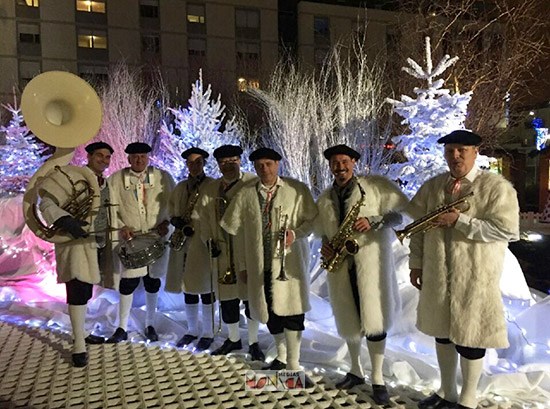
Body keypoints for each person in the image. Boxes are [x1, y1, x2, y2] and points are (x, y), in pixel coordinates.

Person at [408, 130, 520, 409]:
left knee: (471, 336)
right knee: (442, 333)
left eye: (461, 150)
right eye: (450, 151)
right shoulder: (433, 186)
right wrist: (416, 263)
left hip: (476, 276)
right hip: (437, 272)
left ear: (474, 152)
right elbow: (418, 229)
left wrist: (460, 221)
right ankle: (448, 393)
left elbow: (506, 230)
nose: (455, 156)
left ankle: (468, 400)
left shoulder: (496, 188)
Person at [315, 144, 408, 404]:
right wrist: (325, 241)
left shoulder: (375, 188)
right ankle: (356, 370)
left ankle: (378, 379)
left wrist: (374, 221)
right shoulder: (325, 199)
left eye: (344, 161)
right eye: (335, 163)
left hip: (371, 265)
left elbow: (400, 215)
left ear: (354, 162)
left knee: (374, 321)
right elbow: (323, 228)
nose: (340, 167)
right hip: (342, 265)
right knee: (350, 319)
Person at [220, 147, 317, 386]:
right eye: (260, 165)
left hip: (289, 263)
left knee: (292, 311)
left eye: (269, 164)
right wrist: (242, 265)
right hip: (259, 263)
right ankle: (282, 357)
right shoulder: (245, 194)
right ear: (254, 168)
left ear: (277, 165)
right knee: (271, 311)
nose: (265, 169)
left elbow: (313, 219)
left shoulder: (297, 190)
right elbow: (234, 230)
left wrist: (297, 233)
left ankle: (294, 364)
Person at [37, 141, 114, 367]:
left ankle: (83, 332)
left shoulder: (106, 183)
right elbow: (46, 202)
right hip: (74, 243)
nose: (103, 159)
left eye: (107, 156)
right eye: (99, 155)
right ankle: (79, 345)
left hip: (96, 243)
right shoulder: (73, 175)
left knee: (86, 291)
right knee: (77, 290)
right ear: (88, 156)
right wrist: (65, 221)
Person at [198, 145, 264, 361]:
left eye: (233, 160)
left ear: (240, 160)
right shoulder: (211, 189)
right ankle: (233, 338)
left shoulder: (253, 183)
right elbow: (203, 217)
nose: (228, 165)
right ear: (218, 164)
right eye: (224, 162)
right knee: (227, 298)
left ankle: (253, 342)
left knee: (249, 296)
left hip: (246, 248)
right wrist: (208, 240)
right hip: (222, 250)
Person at [106, 142, 175, 343]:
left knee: (152, 281)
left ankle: (150, 323)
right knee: (128, 282)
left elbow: (174, 204)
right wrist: (121, 226)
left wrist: (167, 222)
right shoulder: (117, 180)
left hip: (156, 238)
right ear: (128, 158)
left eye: (143, 156)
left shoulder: (163, 177)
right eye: (135, 156)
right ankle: (122, 327)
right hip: (131, 240)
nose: (139, 160)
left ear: (148, 157)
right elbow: (109, 208)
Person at [165, 147, 215, 351]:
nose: (194, 166)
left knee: (206, 287)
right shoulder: (180, 187)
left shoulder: (212, 186)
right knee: (188, 286)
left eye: (198, 162)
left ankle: (209, 332)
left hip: (203, 242)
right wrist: (174, 219)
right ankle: (192, 329)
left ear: (204, 164)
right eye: (191, 163)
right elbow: (170, 209)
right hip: (184, 241)